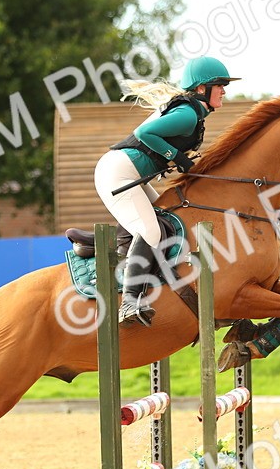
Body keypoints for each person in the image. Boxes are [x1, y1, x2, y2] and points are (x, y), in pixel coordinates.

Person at [95, 56, 240, 326]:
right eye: (219, 85)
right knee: (151, 231)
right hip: (117, 173)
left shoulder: (193, 112)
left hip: (127, 172)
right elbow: (145, 132)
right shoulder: (187, 114)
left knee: (167, 216)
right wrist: (176, 155)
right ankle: (128, 302)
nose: (224, 90)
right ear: (201, 89)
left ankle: (138, 264)